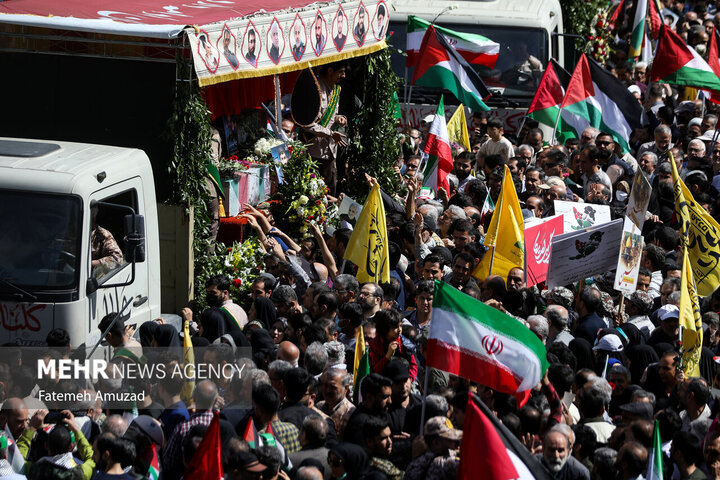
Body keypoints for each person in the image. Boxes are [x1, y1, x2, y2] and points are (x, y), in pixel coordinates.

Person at [302, 62, 348, 194]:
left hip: (330, 153)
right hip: (312, 153)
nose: (343, 76)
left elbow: (332, 115)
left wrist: (340, 118)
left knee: (329, 194)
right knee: (310, 195)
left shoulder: (335, 91)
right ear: (330, 71)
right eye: (341, 72)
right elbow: (306, 123)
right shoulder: (314, 90)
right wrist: (330, 133)